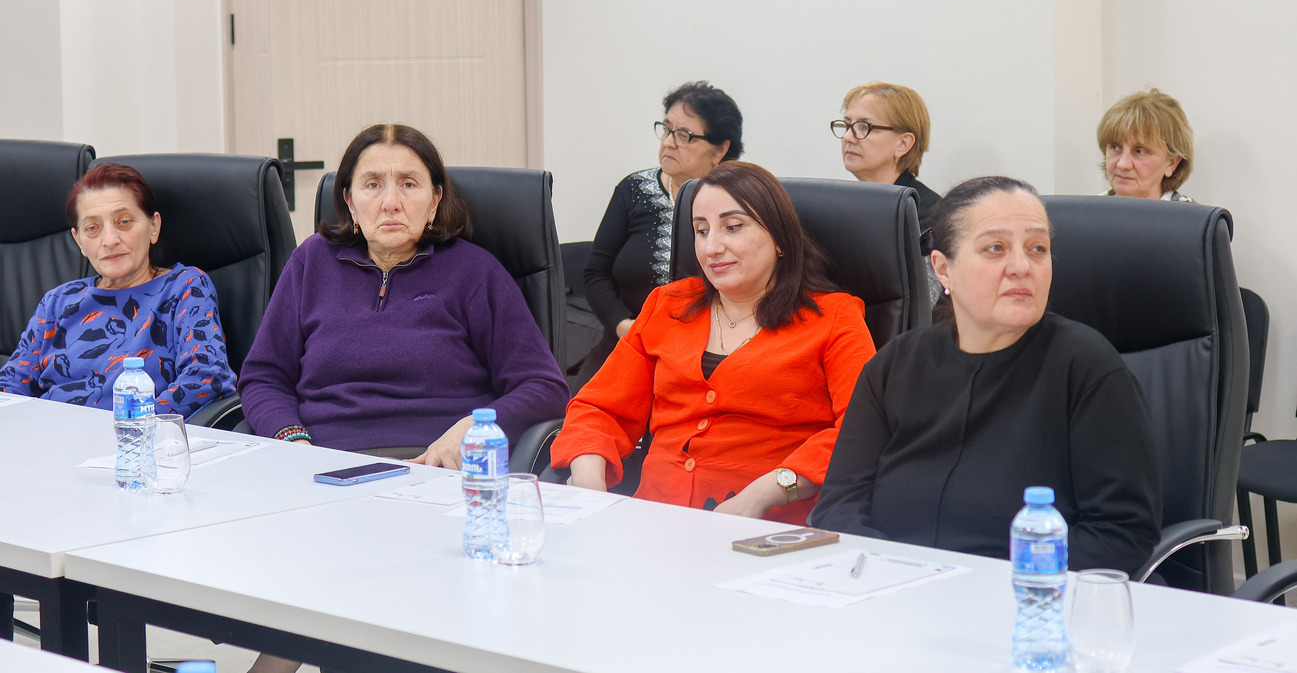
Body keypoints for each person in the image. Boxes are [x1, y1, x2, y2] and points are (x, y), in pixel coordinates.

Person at [810, 176, 1162, 574]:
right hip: (889, 591)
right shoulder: (896, 365)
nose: (1021, 267)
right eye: (996, 248)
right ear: (943, 269)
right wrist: (893, 575)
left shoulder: (1087, 368)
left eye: (1038, 249)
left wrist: (986, 582)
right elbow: (838, 508)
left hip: (1025, 595)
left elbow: (1122, 534)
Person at [552, 161, 877, 525]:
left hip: (765, 529)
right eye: (701, 230)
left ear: (779, 238)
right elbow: (600, 409)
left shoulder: (834, 317)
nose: (711, 247)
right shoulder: (668, 305)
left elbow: (861, 430)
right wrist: (589, 483)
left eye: (732, 227)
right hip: (653, 524)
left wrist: (766, 491)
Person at [237, 123, 569, 463]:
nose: (391, 203)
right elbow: (264, 377)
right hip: (321, 463)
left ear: (435, 200)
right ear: (350, 202)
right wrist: (293, 443)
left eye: (408, 184)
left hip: (436, 467)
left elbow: (544, 387)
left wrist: (473, 429)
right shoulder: (311, 261)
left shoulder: (474, 271)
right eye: (373, 185)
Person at [0, 162, 236, 417]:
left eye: (123, 222)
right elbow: (10, 385)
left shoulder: (184, 288)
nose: (110, 240)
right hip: (49, 435)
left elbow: (206, 377)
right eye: (92, 228)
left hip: (134, 436)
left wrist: (128, 425)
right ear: (79, 241)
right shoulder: (57, 301)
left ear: (153, 227)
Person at [577, 81, 743, 387]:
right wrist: (624, 327)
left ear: (720, 149)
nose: (668, 143)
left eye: (684, 135)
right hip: (626, 343)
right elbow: (595, 273)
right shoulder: (634, 190)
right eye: (666, 130)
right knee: (578, 412)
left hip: (708, 354)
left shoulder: (740, 202)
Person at [831, 81, 941, 241]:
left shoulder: (932, 217)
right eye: (847, 125)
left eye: (864, 127)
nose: (848, 137)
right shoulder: (839, 208)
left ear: (903, 144)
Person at [1097, 88, 1194, 201]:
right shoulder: (1087, 209)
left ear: (1172, 164)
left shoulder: (1189, 212)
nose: (1122, 164)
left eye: (1140, 151)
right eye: (1115, 147)